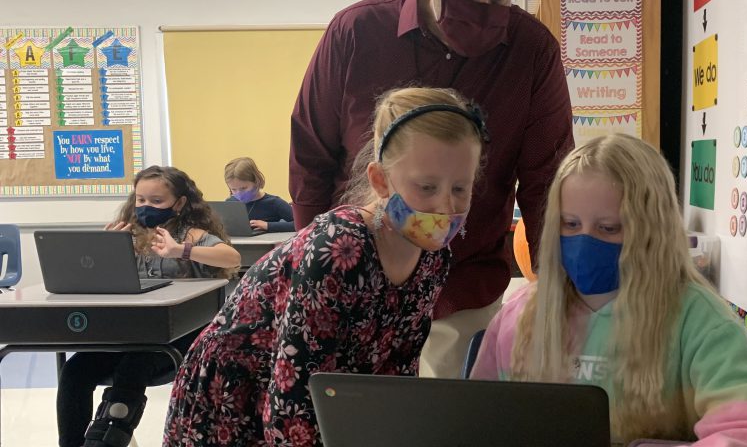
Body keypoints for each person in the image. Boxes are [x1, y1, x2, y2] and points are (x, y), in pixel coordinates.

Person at [289, 0, 573, 378]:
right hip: (355, 278)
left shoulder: (532, 51)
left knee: (448, 424)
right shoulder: (357, 33)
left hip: (463, 286)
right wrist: (316, 265)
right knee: (352, 418)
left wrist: (560, 294)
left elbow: (547, 183)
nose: (481, 11)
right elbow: (311, 156)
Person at [164, 88, 488, 446]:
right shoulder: (339, 249)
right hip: (233, 397)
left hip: (299, 401)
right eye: (427, 186)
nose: (445, 205)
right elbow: (293, 402)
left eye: (461, 187)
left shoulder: (434, 257)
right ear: (381, 181)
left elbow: (397, 372)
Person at [471, 134, 747, 446]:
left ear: (651, 232)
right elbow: (475, 419)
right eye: (570, 224)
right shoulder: (521, 314)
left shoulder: (698, 320)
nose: (584, 241)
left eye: (608, 228)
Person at [57, 166, 240, 447]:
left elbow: (231, 257)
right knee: (74, 370)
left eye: (157, 201)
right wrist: (105, 250)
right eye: (140, 200)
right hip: (128, 333)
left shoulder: (191, 235)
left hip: (177, 338)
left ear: (179, 203)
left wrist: (180, 250)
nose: (146, 207)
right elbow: (99, 282)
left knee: (135, 362)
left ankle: (107, 438)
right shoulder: (127, 234)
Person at [224, 156, 295, 233]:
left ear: (256, 181)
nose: (239, 193)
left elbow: (301, 225)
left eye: (243, 188)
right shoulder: (229, 203)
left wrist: (268, 225)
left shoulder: (274, 203)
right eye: (233, 189)